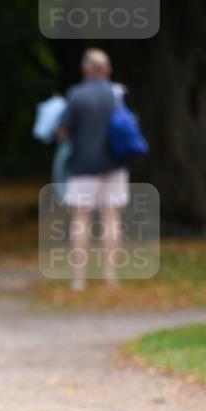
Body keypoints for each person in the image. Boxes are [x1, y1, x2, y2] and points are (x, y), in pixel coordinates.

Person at [57, 48, 129, 291]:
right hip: (114, 165)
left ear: (85, 69)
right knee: (112, 219)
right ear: (108, 70)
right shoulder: (117, 93)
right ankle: (111, 277)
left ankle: (79, 278)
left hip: (82, 166)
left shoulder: (76, 95)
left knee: (81, 220)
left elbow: (63, 131)